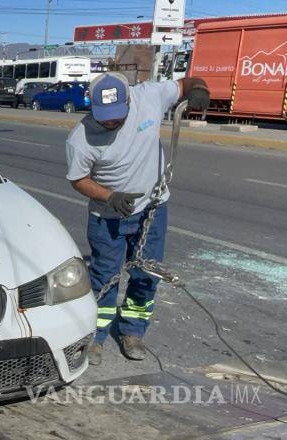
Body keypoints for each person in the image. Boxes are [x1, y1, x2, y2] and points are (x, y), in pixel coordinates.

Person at [64, 73, 209, 365]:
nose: (110, 122)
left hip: (152, 209)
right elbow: (78, 179)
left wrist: (201, 90)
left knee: (147, 274)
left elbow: (189, 82)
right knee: (105, 276)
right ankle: (96, 335)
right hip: (107, 215)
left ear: (129, 100)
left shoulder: (149, 96)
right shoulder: (80, 139)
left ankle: (132, 331)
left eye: (117, 115)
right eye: (104, 117)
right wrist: (109, 196)